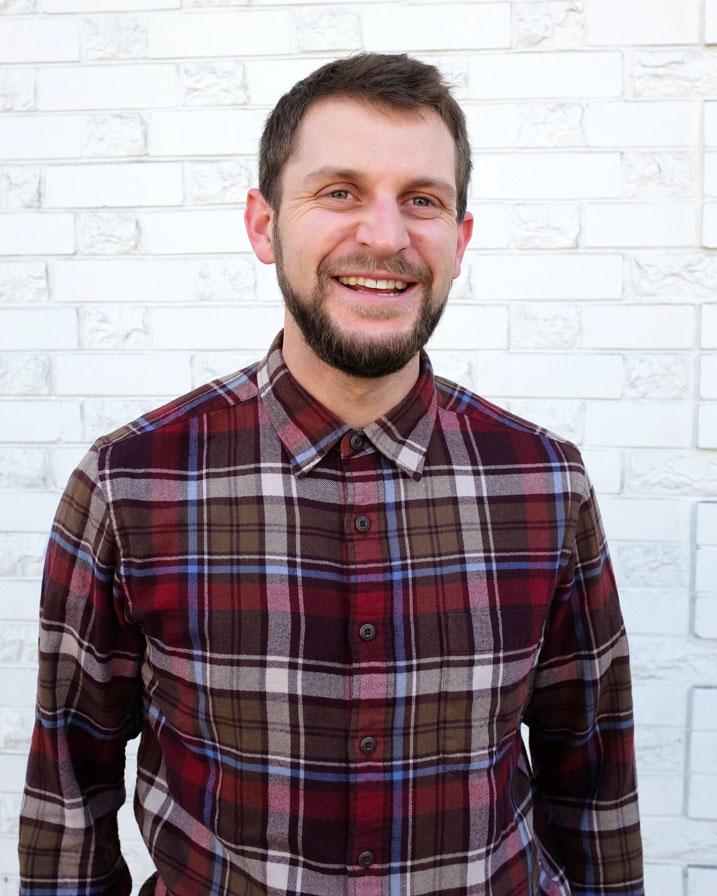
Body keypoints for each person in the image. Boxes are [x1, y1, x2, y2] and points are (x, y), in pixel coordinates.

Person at [19, 53, 643, 896]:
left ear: (459, 240)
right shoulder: (131, 484)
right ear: (263, 224)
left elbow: (593, 784)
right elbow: (69, 789)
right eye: (339, 191)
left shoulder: (542, 482)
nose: (385, 236)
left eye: (421, 200)